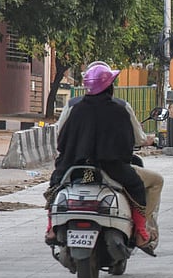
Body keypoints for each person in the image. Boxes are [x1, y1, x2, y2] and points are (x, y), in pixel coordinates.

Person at [46, 62, 156, 254]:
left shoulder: (75, 108)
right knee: (139, 186)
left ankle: (51, 229)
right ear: (110, 87)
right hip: (111, 169)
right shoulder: (120, 109)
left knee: (55, 186)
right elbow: (132, 141)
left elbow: (60, 138)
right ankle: (140, 232)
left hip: (75, 168)